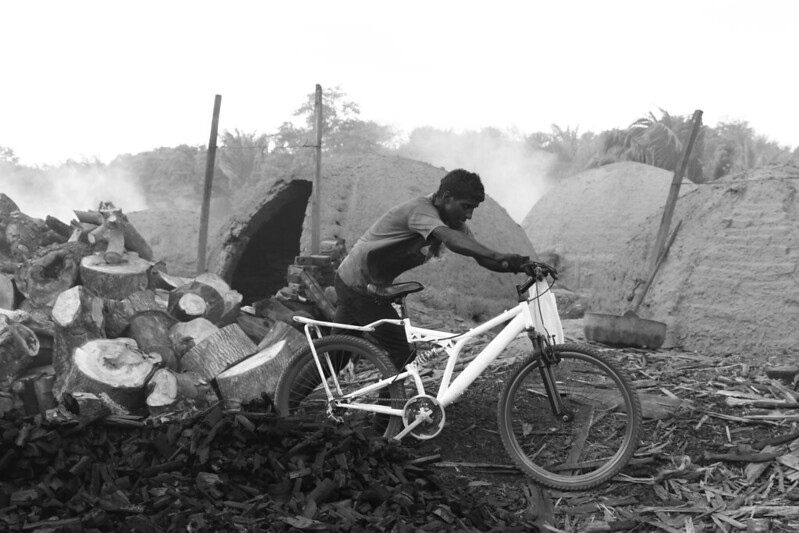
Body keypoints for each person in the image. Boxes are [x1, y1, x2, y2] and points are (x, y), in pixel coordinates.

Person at [335, 168, 554, 370]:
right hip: (358, 284)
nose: (469, 215)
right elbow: (452, 239)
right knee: (401, 353)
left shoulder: (452, 222)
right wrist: (501, 255)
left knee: (335, 358)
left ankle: (298, 401)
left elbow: (481, 257)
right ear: (447, 197)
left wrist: (522, 264)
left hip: (368, 284)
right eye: (466, 206)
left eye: (473, 209)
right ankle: (388, 413)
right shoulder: (420, 211)